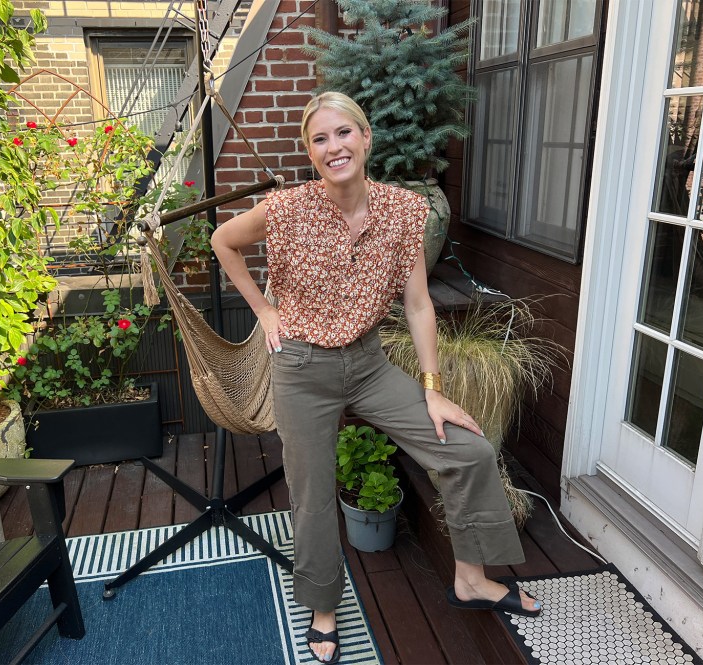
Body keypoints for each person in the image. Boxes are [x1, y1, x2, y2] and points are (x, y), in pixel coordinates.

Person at [210, 91, 540, 664]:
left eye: (343, 133)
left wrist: (434, 391)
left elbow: (417, 306)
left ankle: (471, 578)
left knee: (468, 450)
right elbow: (222, 240)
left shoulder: (404, 212)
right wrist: (264, 310)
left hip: (368, 365)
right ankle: (323, 606)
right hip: (301, 370)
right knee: (312, 496)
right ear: (310, 153)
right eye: (319, 139)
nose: (333, 146)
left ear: (365, 138)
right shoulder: (287, 208)